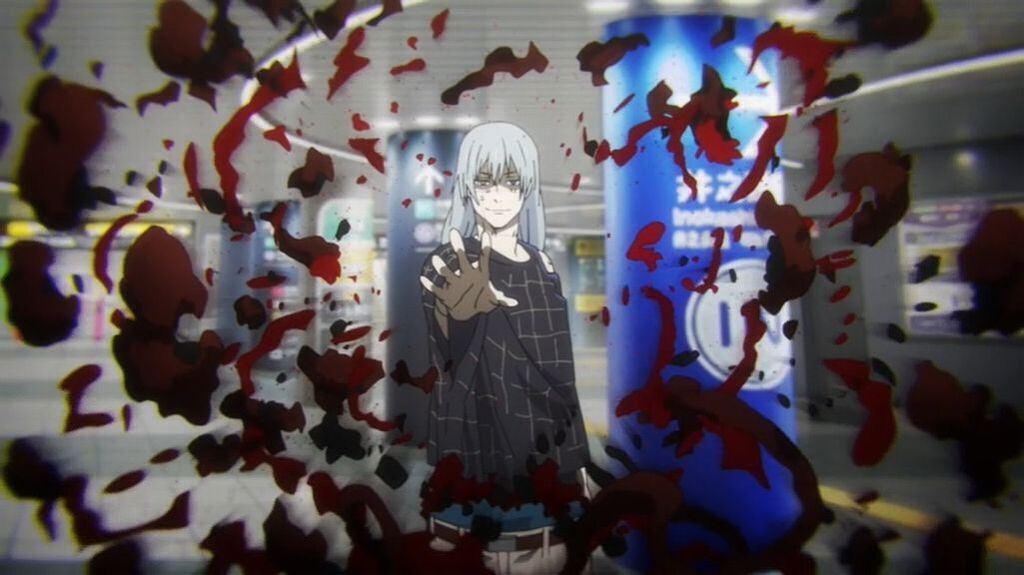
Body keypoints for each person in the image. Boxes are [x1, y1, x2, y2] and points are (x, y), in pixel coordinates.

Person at [418, 122, 591, 562]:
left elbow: (562, 378)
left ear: (527, 187)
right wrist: (461, 320)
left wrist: (580, 469)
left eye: (510, 182)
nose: (497, 195)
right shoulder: (450, 263)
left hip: (555, 489)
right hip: (478, 496)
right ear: (467, 187)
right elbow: (447, 359)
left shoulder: (543, 267)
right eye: (484, 182)